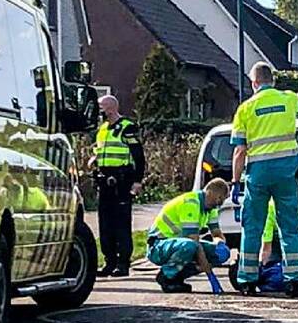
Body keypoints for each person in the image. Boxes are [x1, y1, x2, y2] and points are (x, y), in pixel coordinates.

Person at [230, 62, 298, 296]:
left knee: (253, 226)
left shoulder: (245, 109)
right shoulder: (287, 99)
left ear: (254, 82)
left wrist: (236, 183)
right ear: (273, 80)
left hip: (257, 175)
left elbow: (239, 151)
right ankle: (294, 279)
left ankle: (247, 279)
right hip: (286, 173)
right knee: (289, 225)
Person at [89, 95, 145, 277]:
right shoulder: (103, 129)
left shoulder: (127, 127)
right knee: (105, 224)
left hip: (122, 182)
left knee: (121, 224)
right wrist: (94, 159)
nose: (99, 111)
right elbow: (100, 149)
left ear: (111, 108)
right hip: (104, 181)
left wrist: (137, 181)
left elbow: (138, 156)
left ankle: (123, 263)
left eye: (101, 108)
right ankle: (109, 261)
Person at [146, 179, 231, 294]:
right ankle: (166, 277)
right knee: (189, 246)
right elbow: (193, 241)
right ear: (210, 192)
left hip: (179, 245)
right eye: (219, 198)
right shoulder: (191, 203)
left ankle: (177, 278)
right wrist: (208, 272)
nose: (220, 202)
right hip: (158, 246)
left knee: (222, 253)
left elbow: (216, 233)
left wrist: (220, 243)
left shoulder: (210, 209)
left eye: (223, 199)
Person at [260, 184, 298, 265]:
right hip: (276, 240)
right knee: (272, 263)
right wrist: (263, 264)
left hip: (295, 236)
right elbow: (266, 245)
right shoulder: (271, 209)